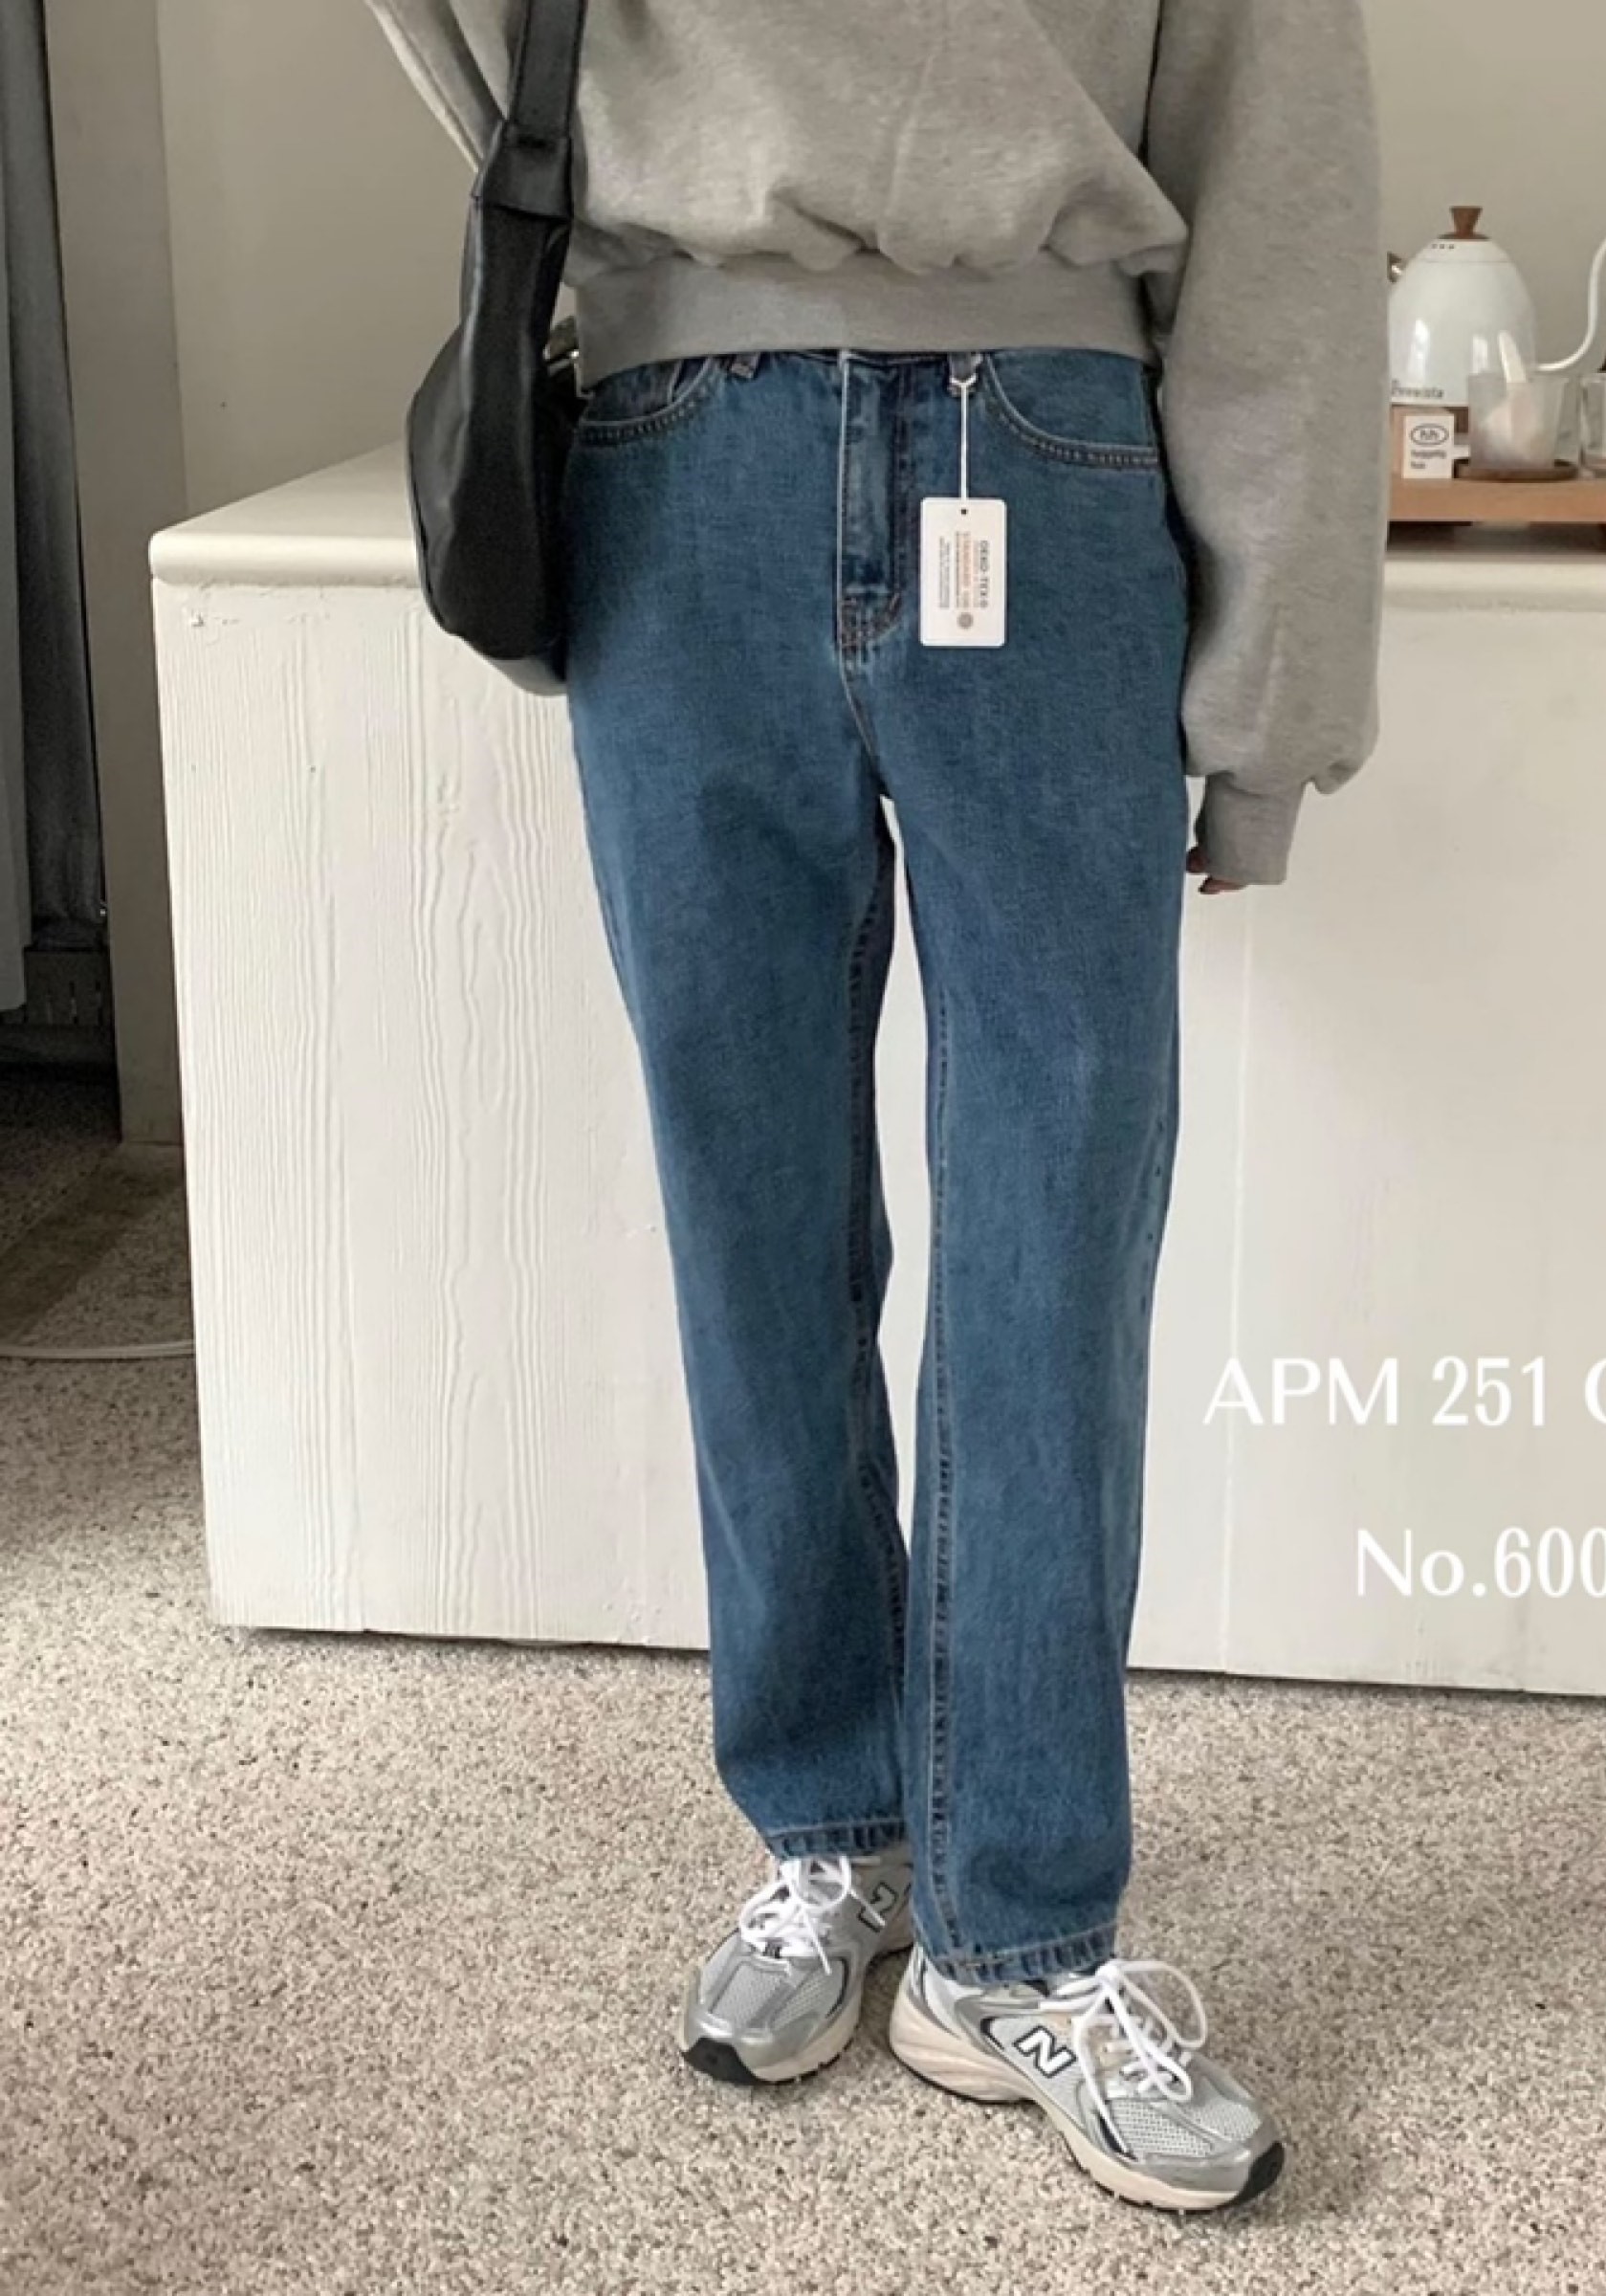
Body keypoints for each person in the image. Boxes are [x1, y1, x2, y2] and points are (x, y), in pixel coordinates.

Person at [368, 0, 1387, 2214]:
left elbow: (1282, 201)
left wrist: (1269, 716)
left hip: (1054, 455)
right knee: (751, 1216)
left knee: (1055, 1224)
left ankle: (1021, 1930)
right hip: (671, 469)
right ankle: (833, 1826)